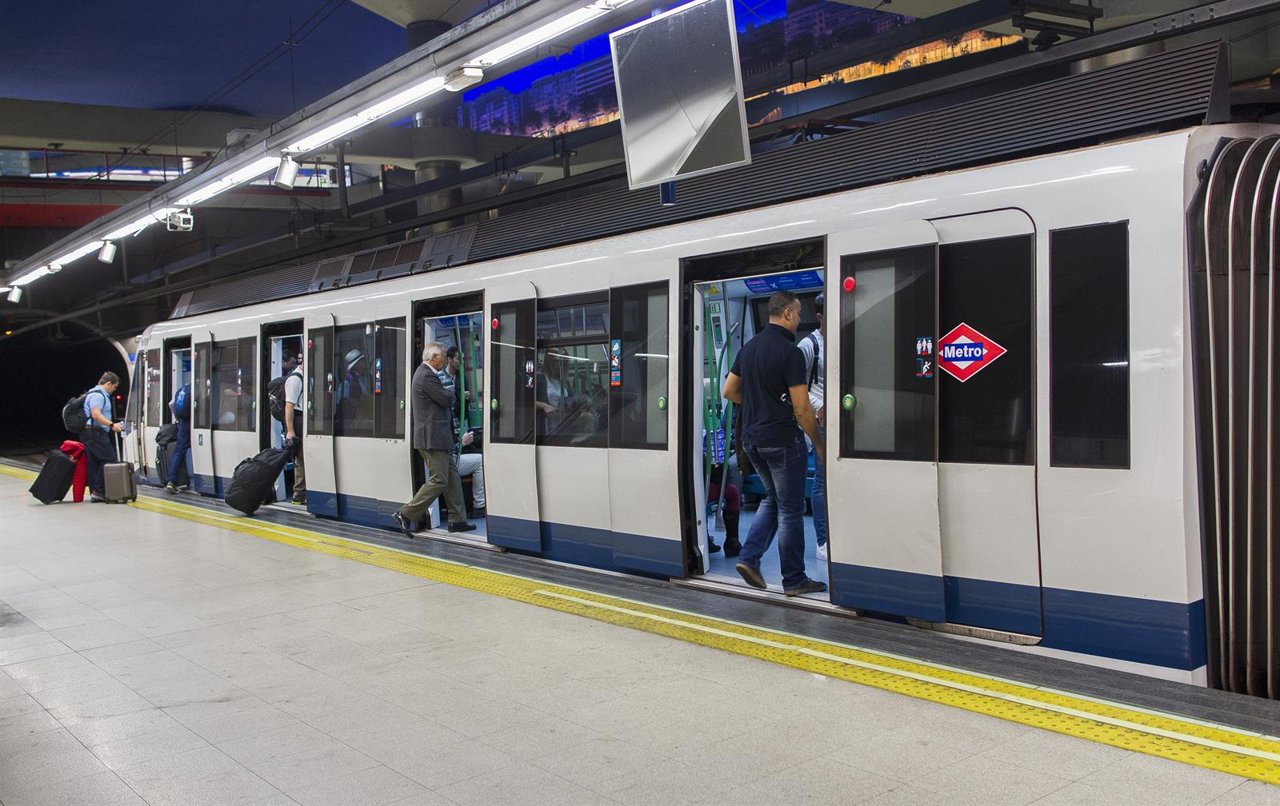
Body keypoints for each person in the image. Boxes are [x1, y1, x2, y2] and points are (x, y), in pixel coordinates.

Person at [722, 291, 826, 597]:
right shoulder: (789, 352)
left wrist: (757, 403)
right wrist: (817, 444)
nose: (798, 321)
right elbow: (802, 409)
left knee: (773, 498)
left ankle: (749, 558)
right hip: (782, 441)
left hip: (752, 441)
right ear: (790, 314)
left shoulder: (749, 348)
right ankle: (794, 579)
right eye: (797, 314)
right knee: (791, 511)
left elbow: (729, 390)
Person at [394, 342, 476, 537]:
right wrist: (451, 393)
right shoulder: (426, 375)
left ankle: (457, 520)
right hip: (432, 438)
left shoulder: (427, 374)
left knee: (452, 476)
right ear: (434, 358)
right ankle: (405, 513)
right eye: (444, 356)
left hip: (438, 437)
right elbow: (447, 398)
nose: (446, 359)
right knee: (439, 479)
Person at [437, 346, 485, 518]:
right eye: (459, 359)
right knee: (479, 462)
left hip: (460, 430)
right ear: (449, 359)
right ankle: (479, 504)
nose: (461, 362)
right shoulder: (440, 379)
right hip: (452, 435)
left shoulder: (462, 378)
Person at [797, 292, 828, 561]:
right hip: (821, 422)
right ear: (819, 316)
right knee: (821, 481)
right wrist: (819, 406)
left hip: (842, 422)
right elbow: (799, 388)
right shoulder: (809, 346)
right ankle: (823, 541)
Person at [80, 371, 124, 503]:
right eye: (114, 387)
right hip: (95, 432)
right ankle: (98, 491)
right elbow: (96, 414)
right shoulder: (98, 396)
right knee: (109, 458)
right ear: (109, 384)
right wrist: (112, 425)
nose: (114, 390)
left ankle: (95, 491)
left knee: (94, 462)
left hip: (90, 432)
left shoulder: (92, 393)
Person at [283, 353, 306, 505]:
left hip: (302, 419)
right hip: (296, 420)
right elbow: (289, 406)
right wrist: (290, 430)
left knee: (304, 458)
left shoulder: (305, 377)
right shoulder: (295, 380)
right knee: (300, 458)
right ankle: (298, 494)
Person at [165, 381, 191, 494]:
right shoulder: (200, 388)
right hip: (192, 423)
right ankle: (194, 480)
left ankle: (171, 480)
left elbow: (171, 404)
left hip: (182, 423)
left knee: (179, 451)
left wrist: (178, 419)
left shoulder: (182, 389)